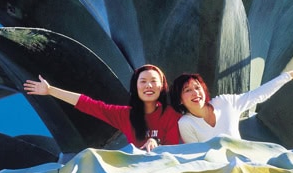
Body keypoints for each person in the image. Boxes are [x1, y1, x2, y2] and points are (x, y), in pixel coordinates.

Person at [23, 64, 181, 152]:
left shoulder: (171, 114)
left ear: (161, 86)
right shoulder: (126, 115)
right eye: (143, 81)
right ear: (136, 86)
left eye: (154, 81)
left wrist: (155, 141)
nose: (148, 85)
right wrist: (50, 90)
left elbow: (175, 148)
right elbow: (89, 105)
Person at [171, 68, 293, 143]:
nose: (195, 93)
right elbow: (195, 156)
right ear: (180, 100)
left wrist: (286, 77)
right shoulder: (186, 123)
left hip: (242, 163)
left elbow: (257, 95)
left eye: (197, 87)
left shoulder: (225, 103)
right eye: (187, 90)